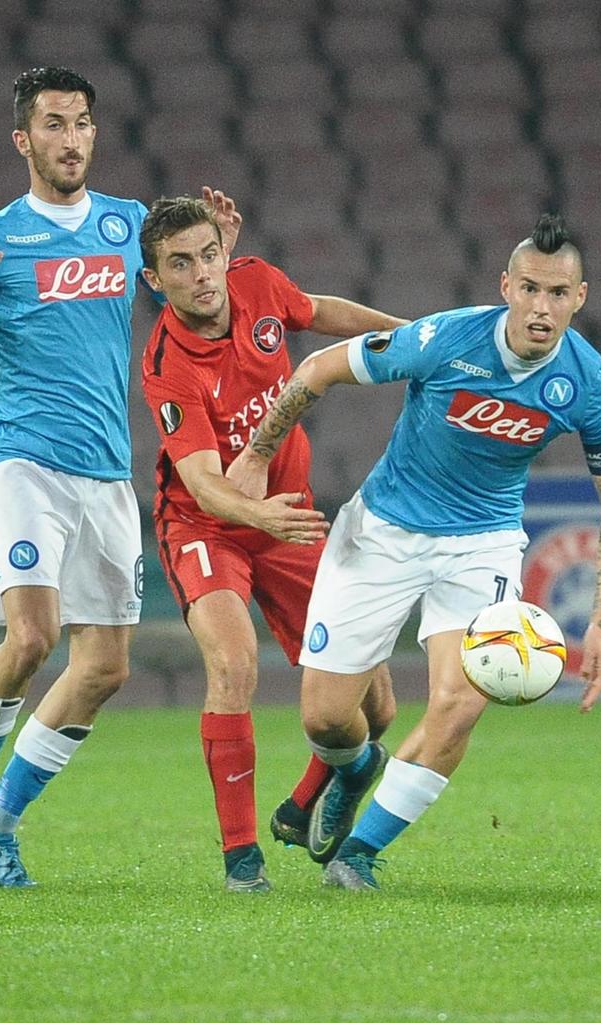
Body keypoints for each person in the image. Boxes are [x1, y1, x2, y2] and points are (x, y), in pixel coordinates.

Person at [0, 67, 241, 888]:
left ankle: (2, 824)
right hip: (24, 464)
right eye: (53, 124)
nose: (71, 139)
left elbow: (202, 303)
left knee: (105, 668)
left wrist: (217, 255)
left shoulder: (127, 225)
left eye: (81, 124)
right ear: (23, 140)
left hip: (106, 475)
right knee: (33, 638)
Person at [227, 213, 601, 891]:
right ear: (506, 287)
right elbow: (320, 367)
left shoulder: (590, 387)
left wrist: (599, 621)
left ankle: (359, 856)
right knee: (326, 720)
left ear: (580, 297)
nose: (542, 308)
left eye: (558, 293)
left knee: (461, 702)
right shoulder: (445, 339)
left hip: (481, 546)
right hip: (381, 532)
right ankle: (355, 768)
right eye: (530, 289)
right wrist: (254, 455)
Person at [139, 196, 407, 892]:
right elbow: (204, 485)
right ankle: (242, 860)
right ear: (154, 280)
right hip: (206, 528)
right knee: (233, 664)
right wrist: (260, 518)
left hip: (287, 519)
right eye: (180, 264)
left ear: (224, 252)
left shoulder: (256, 282)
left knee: (376, 708)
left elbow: (318, 311)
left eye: (208, 255)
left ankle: (338, 777)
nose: (201, 273)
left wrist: (408, 336)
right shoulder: (167, 364)